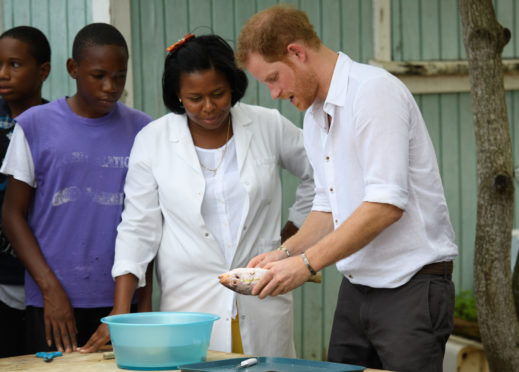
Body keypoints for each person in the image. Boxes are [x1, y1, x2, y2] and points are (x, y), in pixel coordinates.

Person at [235, 5, 458, 372]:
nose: (274, 93)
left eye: (274, 78)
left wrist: (305, 265)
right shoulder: (311, 115)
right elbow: (328, 206)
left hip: (411, 287)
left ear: (296, 53)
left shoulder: (373, 92)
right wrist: (284, 252)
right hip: (357, 287)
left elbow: (385, 205)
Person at [79, 34, 314, 357]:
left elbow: (321, 174)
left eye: (218, 94)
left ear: (233, 85)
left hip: (261, 296)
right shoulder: (153, 141)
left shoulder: (267, 125)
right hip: (189, 302)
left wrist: (293, 234)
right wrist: (121, 309)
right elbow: (137, 228)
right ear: (177, 96)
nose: (208, 107)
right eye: (194, 98)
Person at [0, 23, 152, 354]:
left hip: (122, 304)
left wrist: (145, 304)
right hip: (52, 302)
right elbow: (12, 214)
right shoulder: (34, 125)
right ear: (73, 68)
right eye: (99, 75)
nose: (111, 87)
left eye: (120, 76)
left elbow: (151, 223)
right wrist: (50, 289)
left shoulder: (143, 129)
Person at [0, 25, 51, 358]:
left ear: (43, 71)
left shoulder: (54, 125)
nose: (3, 74)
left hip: (49, 283)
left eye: (14, 64)